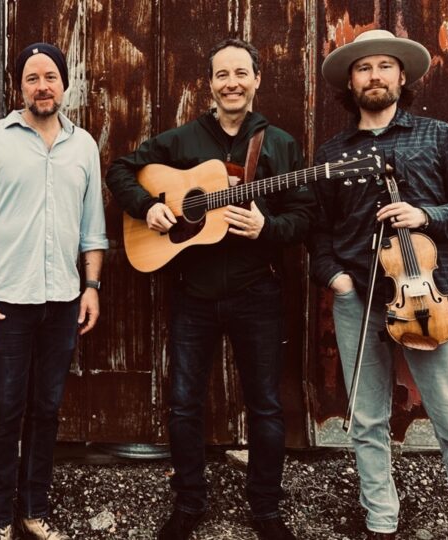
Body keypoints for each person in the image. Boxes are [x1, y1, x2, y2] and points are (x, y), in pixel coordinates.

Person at [106, 38, 314, 540]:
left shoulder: (280, 146)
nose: (232, 83)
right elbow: (120, 170)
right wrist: (147, 207)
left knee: (265, 405)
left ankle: (266, 507)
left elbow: (306, 215)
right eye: (223, 74)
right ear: (210, 83)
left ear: (257, 79)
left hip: (256, 293)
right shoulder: (180, 141)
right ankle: (189, 502)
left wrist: (268, 228)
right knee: (184, 403)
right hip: (192, 294)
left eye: (241, 73)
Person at [310, 29, 448, 539]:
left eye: (384, 66)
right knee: (367, 420)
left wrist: (425, 215)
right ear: (350, 82)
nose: (374, 76)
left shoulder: (437, 136)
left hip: (425, 298)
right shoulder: (332, 151)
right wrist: (335, 277)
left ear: (402, 76)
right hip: (358, 298)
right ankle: (381, 521)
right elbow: (318, 228)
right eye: (363, 68)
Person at [0, 42, 108, 540]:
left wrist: (91, 286)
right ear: (18, 87)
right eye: (32, 78)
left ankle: (33, 510)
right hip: (5, 303)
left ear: (65, 84)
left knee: (47, 409)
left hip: (63, 301)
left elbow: (93, 229)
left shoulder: (83, 146)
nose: (43, 87)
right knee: (5, 411)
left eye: (50, 77)